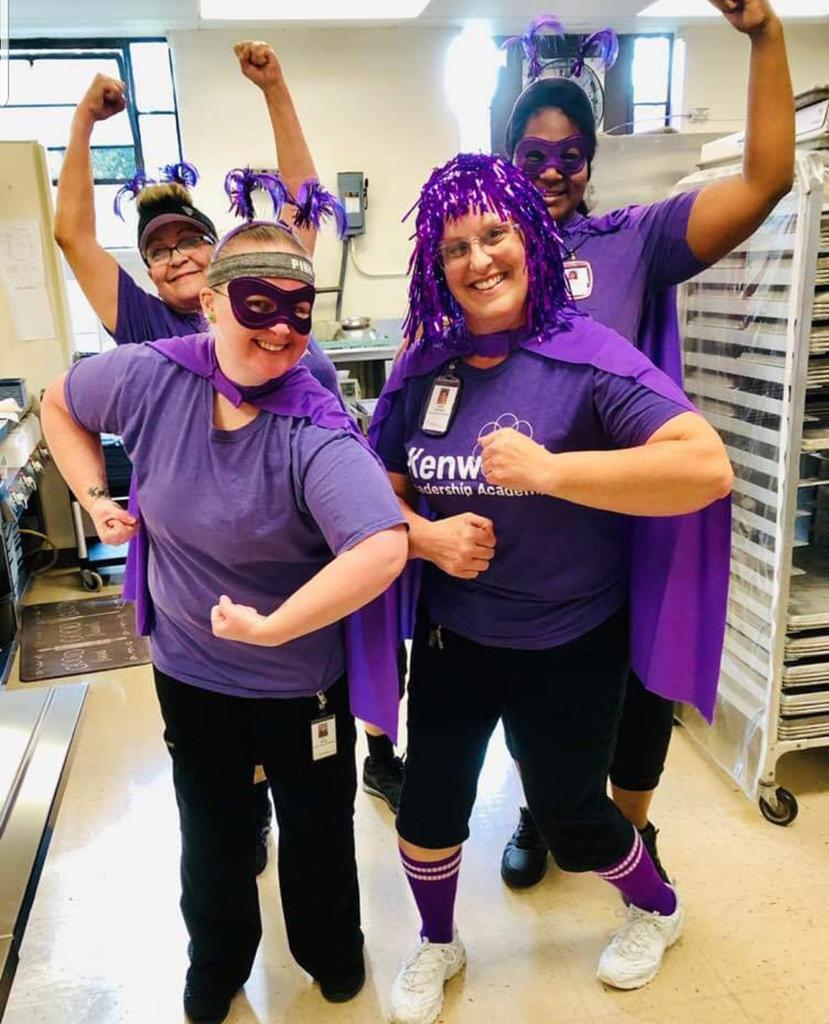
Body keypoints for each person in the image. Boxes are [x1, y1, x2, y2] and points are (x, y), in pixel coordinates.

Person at [370, 152, 732, 1024]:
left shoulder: (586, 354)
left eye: (494, 235)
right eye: (454, 246)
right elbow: (383, 477)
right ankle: (437, 939)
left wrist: (551, 471)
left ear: (529, 241)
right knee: (426, 803)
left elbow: (703, 467)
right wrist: (421, 537)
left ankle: (658, 908)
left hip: (570, 638)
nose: (477, 260)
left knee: (572, 816)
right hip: (458, 633)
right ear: (435, 264)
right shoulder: (424, 362)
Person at [41, 177, 408, 1024]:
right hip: (190, 666)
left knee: (315, 826)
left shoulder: (312, 422)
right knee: (211, 831)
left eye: (298, 306)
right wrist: (97, 496)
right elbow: (62, 402)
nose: (280, 327)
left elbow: (380, 543)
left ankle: (330, 951)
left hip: (296, 679)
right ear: (209, 304)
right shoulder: (149, 376)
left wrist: (274, 626)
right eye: (257, 303)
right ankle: (216, 962)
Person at [498, 0, 794, 887]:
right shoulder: (481, 253)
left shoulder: (633, 239)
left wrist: (765, 36)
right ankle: (541, 806)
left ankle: (629, 832)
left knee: (638, 678)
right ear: (506, 159)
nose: (551, 172)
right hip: (529, 516)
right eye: (532, 155)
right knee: (528, 677)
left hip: (628, 508)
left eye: (570, 154)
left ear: (591, 160)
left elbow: (767, 177)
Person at [53, 42, 349, 870]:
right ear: (147, 269)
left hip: (291, 551)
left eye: (191, 240)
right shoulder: (145, 334)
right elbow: (71, 234)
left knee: (300, 730)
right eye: (158, 249)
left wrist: (276, 89)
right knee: (215, 731)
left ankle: (301, 824)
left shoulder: (271, 307)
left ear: (223, 261)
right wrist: (81, 120)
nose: (177, 254)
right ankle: (243, 814)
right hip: (191, 564)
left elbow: (305, 207)